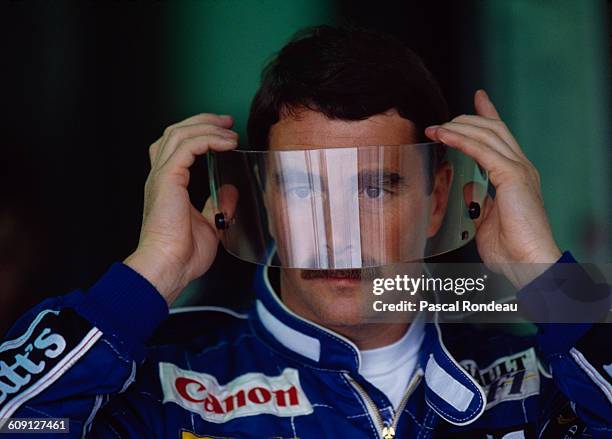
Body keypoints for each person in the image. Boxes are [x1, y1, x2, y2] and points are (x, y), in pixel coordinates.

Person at [0, 26, 609, 438]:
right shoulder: (165, 386)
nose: (338, 231)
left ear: (436, 200)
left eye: (375, 187)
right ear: (264, 201)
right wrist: (153, 269)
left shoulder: (535, 380)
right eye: (302, 187)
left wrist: (545, 277)